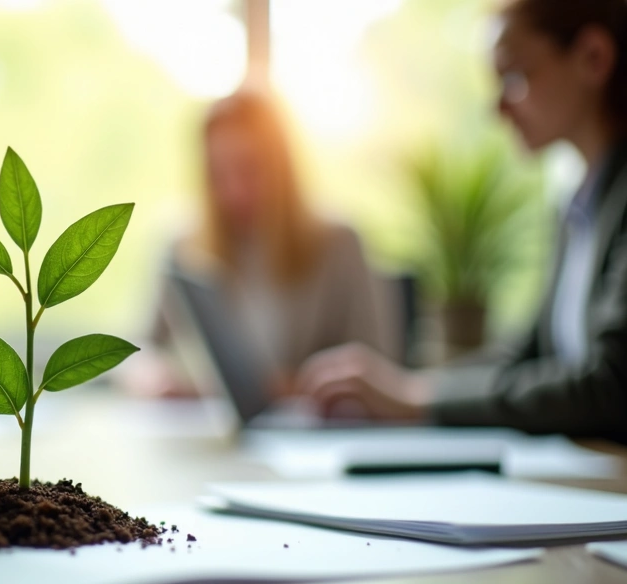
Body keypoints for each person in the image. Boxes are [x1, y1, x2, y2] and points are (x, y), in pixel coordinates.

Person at [297, 0, 627, 436]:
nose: (498, 109)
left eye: (515, 77)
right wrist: (410, 388)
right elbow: (528, 355)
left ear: (593, 58)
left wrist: (419, 400)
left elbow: (609, 386)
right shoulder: (578, 206)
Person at [138, 90, 397, 397]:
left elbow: (379, 366)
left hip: (313, 428)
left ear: (281, 167)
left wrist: (303, 385)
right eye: (218, 173)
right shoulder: (183, 245)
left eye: (249, 169)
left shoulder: (340, 244)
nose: (234, 190)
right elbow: (138, 352)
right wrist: (159, 380)